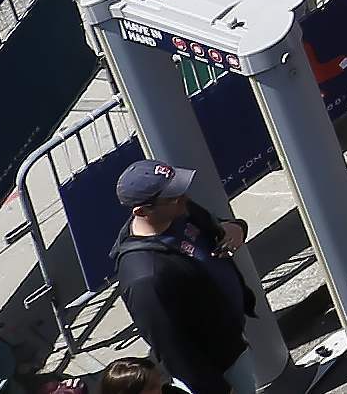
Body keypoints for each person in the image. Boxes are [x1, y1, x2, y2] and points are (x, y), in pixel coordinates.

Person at [110, 164, 260, 394]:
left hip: (231, 337)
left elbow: (215, 226)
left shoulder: (179, 210)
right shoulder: (144, 278)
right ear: (142, 211)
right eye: (172, 197)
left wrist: (236, 228)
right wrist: (218, 390)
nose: (184, 198)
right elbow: (174, 351)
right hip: (218, 366)